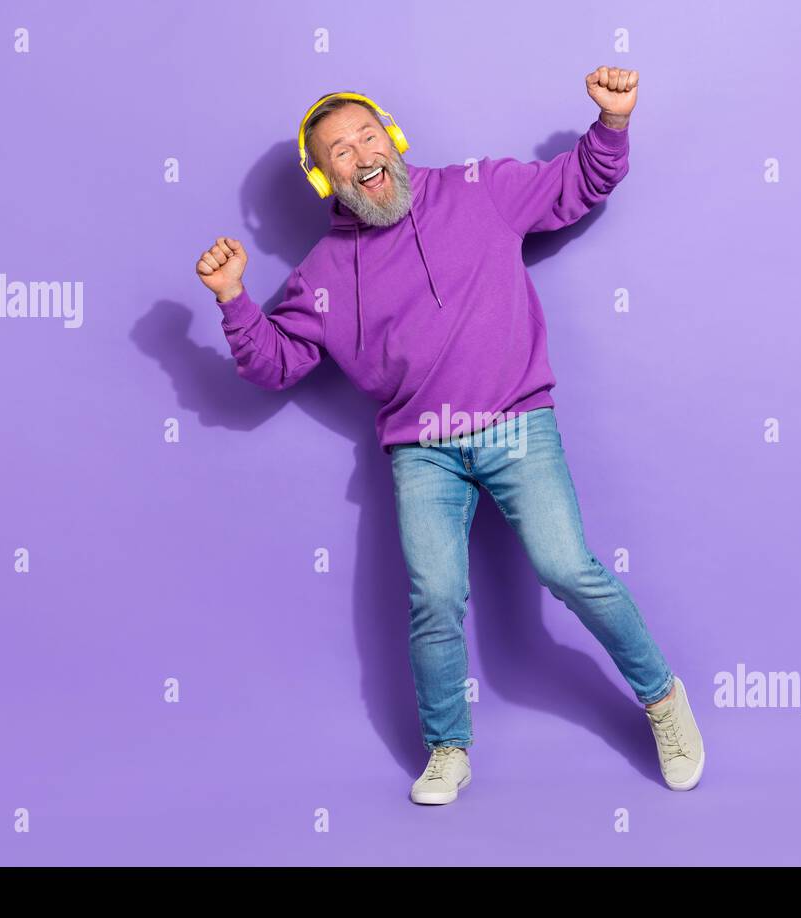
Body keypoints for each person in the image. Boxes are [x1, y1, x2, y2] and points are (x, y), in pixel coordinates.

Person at [195, 67, 704, 805]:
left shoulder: (478, 190)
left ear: (393, 139)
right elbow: (274, 365)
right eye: (340, 150)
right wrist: (234, 300)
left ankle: (663, 701)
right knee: (434, 596)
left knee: (567, 567)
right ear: (322, 177)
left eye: (368, 134)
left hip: (516, 422)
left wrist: (613, 122)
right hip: (420, 451)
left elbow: (579, 184)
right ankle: (448, 748)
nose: (361, 152)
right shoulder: (322, 276)